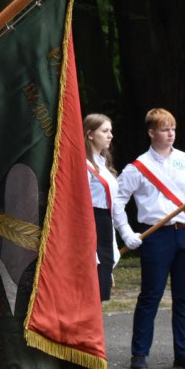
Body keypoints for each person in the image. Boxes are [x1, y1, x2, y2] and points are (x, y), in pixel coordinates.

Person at [112, 108, 185, 369]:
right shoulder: (138, 167)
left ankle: (183, 352)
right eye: (164, 129)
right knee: (151, 295)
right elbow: (117, 199)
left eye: (172, 128)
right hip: (156, 235)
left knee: (184, 297)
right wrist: (127, 232)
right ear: (151, 133)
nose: (170, 133)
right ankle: (139, 353)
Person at [84, 113, 125, 301]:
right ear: (90, 134)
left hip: (104, 225)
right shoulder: (83, 165)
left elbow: (113, 205)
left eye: (111, 131)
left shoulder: (104, 165)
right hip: (90, 225)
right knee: (90, 288)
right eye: (105, 131)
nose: (110, 135)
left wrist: (121, 237)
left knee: (101, 290)